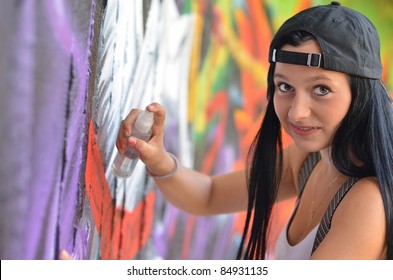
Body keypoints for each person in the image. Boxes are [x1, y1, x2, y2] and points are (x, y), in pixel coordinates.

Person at [116, 2, 393, 260]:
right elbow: (209, 195)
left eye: (321, 89)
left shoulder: (367, 203)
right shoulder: (308, 161)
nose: (297, 112)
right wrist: (157, 157)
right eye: (285, 86)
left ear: (361, 95)